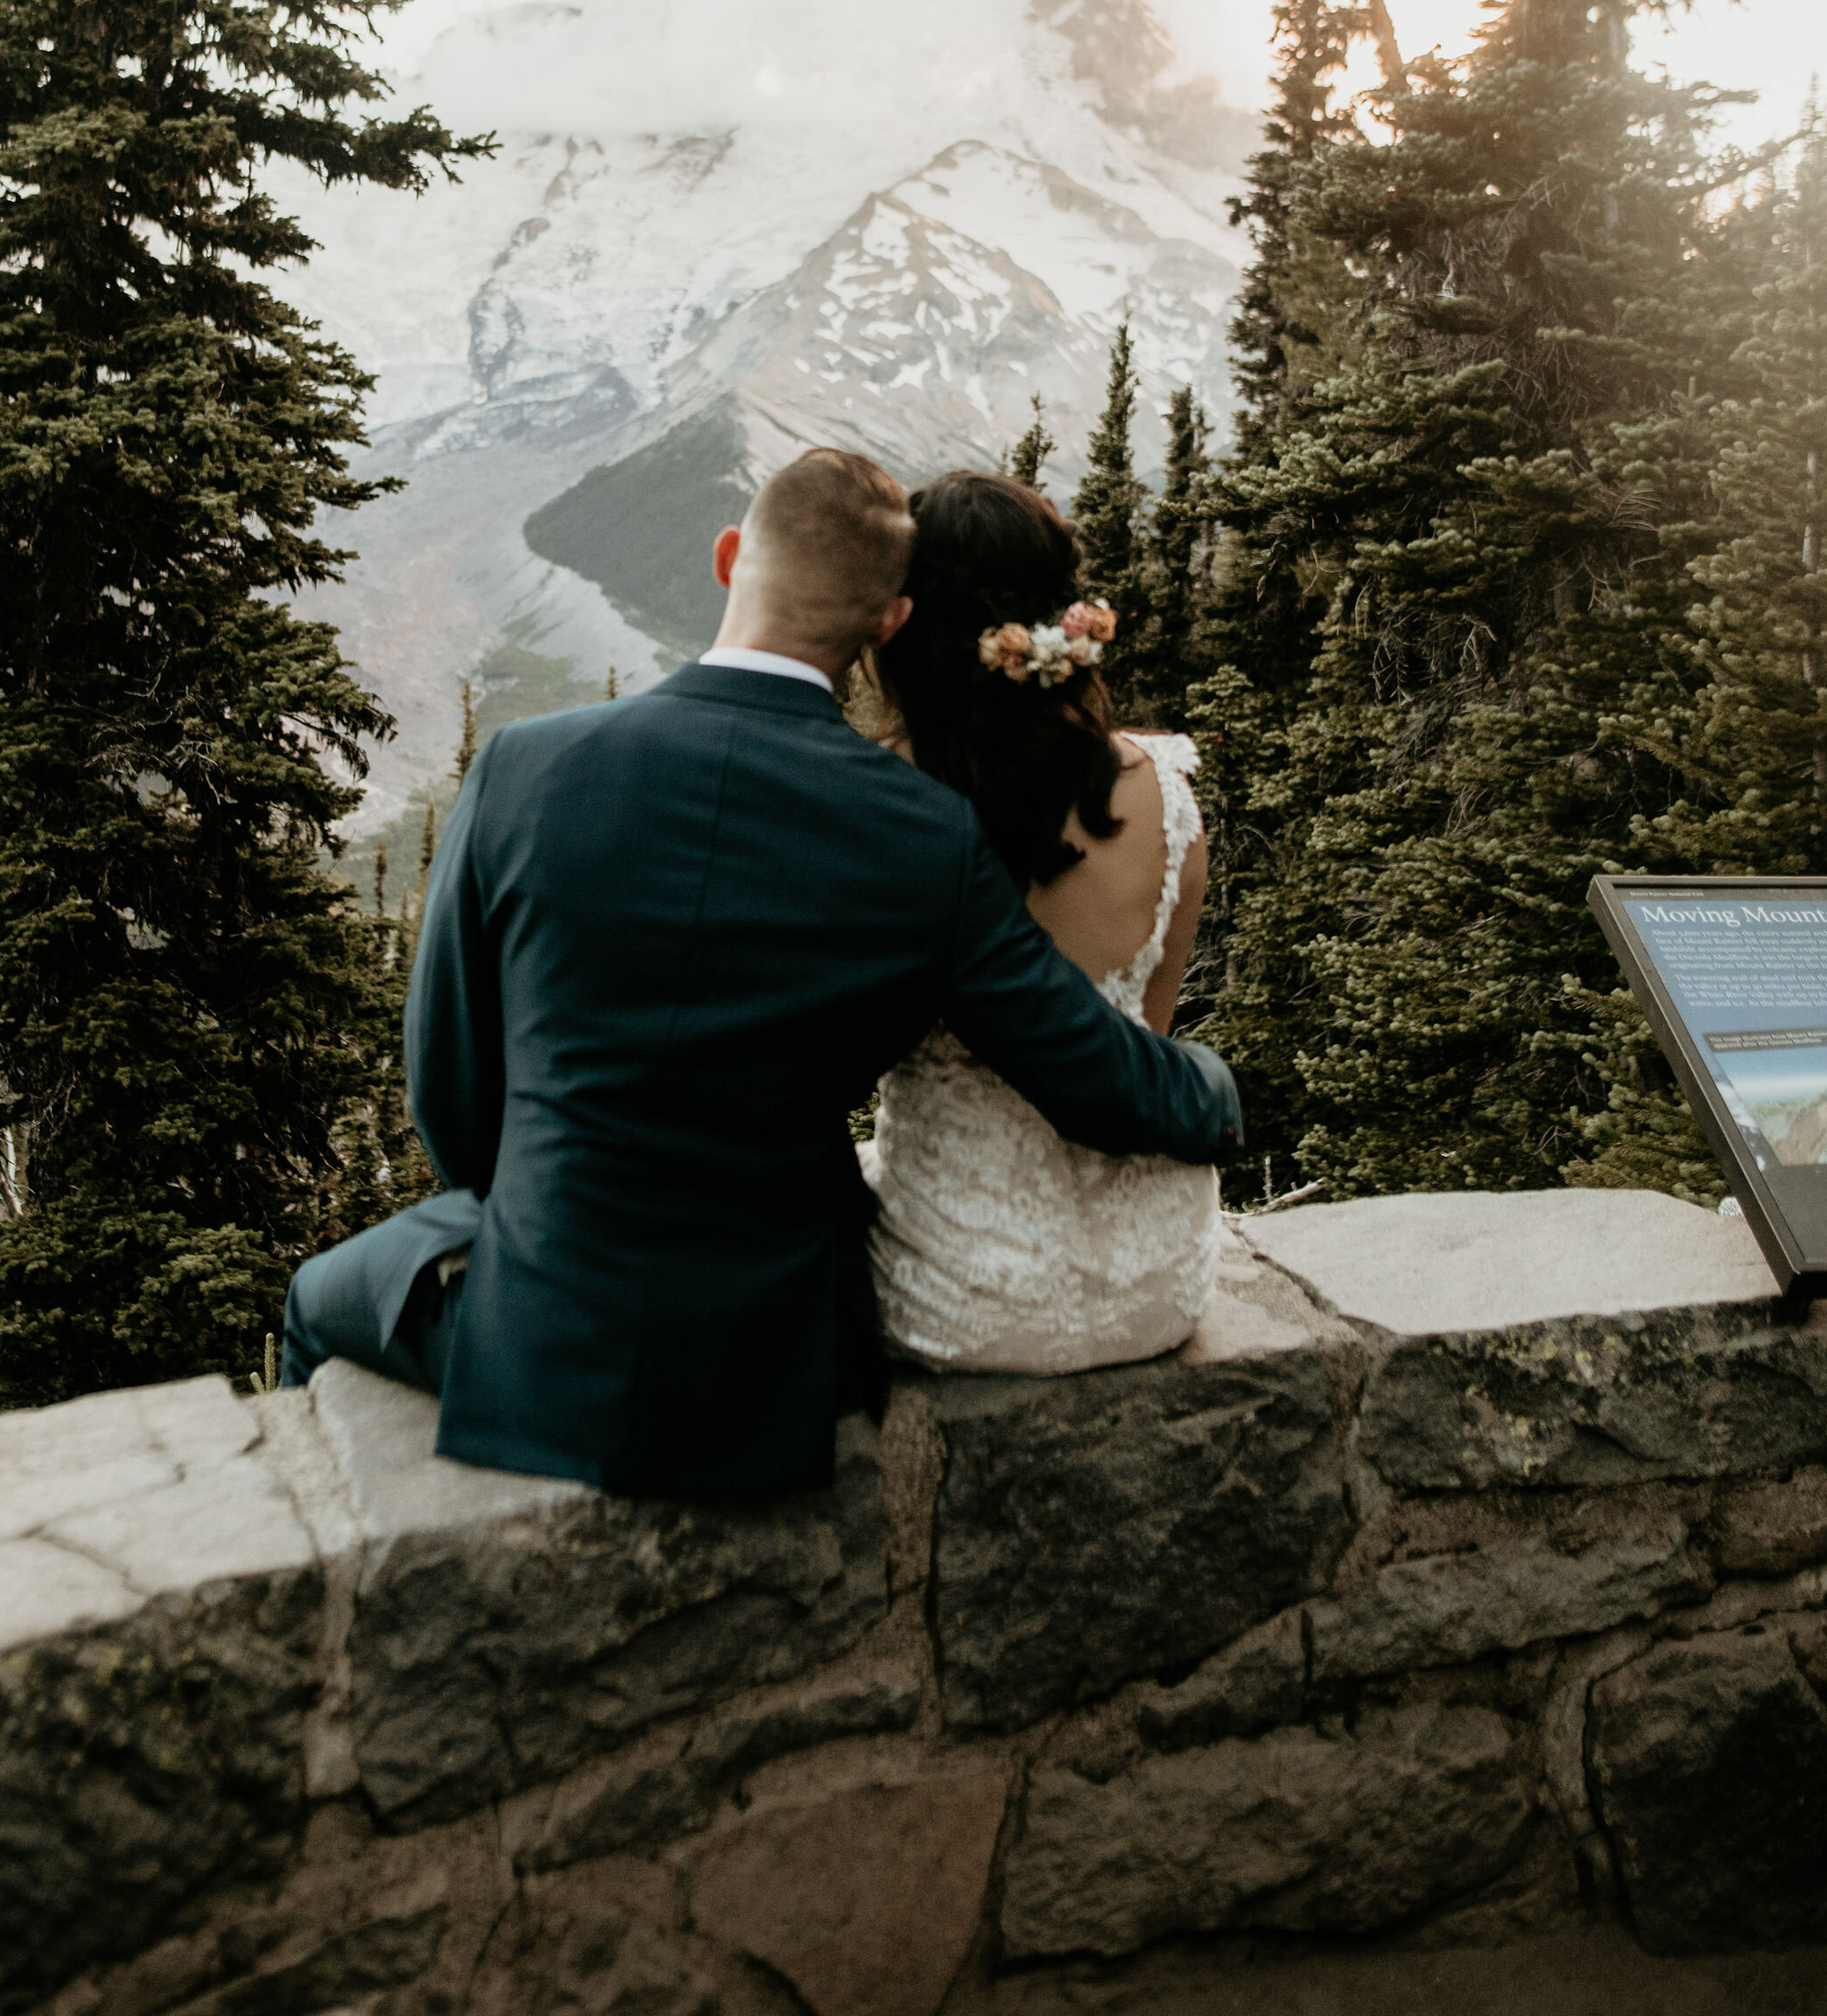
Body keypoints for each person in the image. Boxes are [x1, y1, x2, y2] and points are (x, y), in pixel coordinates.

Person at [281, 446, 1241, 1499]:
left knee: (318, 1297)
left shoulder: (525, 767)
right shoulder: (923, 833)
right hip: (788, 1351)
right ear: (886, 625)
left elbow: (452, 1096)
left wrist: (543, 1223)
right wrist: (1220, 1088)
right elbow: (1092, 1069)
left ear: (730, 555)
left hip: (552, 1327)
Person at [860, 469, 1223, 1371]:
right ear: (1062, 620)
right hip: (1157, 1282)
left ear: (903, 622)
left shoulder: (873, 800)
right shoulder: (1165, 797)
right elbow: (1145, 1044)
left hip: (957, 1291)